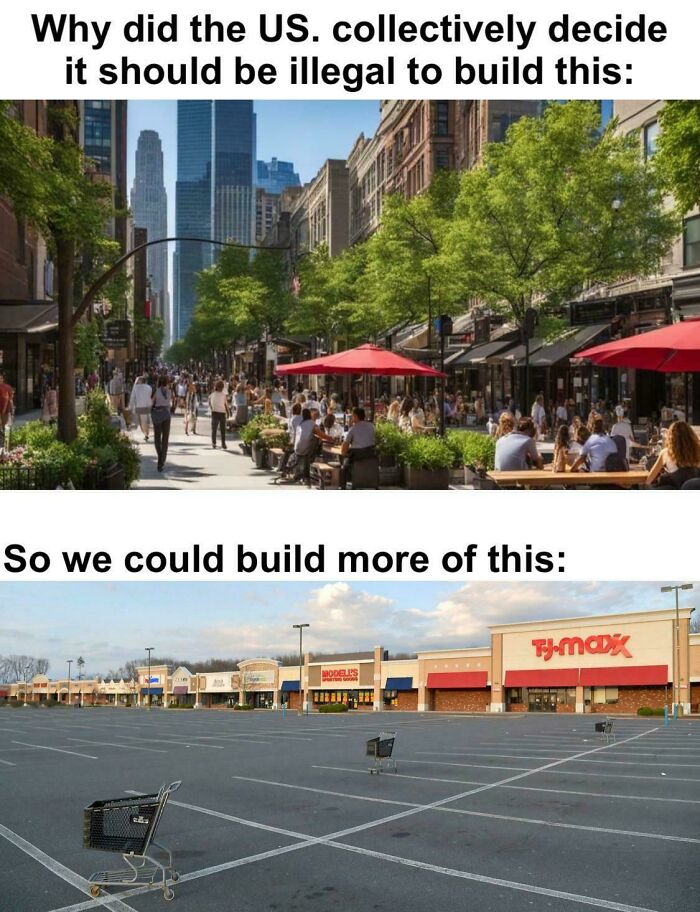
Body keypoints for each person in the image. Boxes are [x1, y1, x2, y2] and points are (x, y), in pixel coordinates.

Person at [647, 420, 700, 488]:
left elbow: (649, 479)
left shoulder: (665, 453)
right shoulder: (697, 451)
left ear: (671, 437)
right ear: (691, 435)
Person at [292, 407, 334, 484]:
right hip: (306, 451)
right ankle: (323, 475)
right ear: (309, 415)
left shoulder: (300, 424)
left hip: (296, 450)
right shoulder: (312, 424)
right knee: (322, 451)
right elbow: (322, 435)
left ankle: (302, 474)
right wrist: (330, 438)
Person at [340, 407, 377, 489]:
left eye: (352, 416)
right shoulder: (372, 426)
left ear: (356, 416)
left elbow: (345, 446)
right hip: (370, 453)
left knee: (344, 465)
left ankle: (342, 486)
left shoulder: (353, 429)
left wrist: (343, 453)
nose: (351, 417)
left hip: (357, 455)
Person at [151, 377, 172, 473]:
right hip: (166, 414)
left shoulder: (156, 391)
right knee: (165, 438)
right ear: (167, 383)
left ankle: (160, 455)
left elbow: (152, 402)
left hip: (157, 415)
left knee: (157, 437)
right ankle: (161, 461)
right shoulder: (169, 392)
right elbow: (170, 403)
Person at [128, 376, 153, 441]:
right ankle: (146, 433)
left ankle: (145, 433)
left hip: (139, 406)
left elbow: (132, 398)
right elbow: (150, 395)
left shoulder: (135, 388)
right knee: (145, 421)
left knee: (141, 422)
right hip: (147, 406)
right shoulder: (149, 387)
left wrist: (130, 407)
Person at [209, 379, 229, 449]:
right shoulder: (223, 395)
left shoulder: (212, 394)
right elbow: (226, 404)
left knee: (214, 429)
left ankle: (214, 443)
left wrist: (211, 407)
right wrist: (228, 413)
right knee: (222, 429)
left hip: (214, 412)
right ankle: (223, 443)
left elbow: (209, 401)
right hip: (222, 413)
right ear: (222, 388)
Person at [0, 371, 15, 448]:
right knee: (4, 427)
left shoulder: (7, 387)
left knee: (5, 427)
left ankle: (6, 445)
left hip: (5, 411)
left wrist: (9, 410)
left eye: (1, 378)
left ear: (3, 379)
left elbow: (9, 399)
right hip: (4, 411)